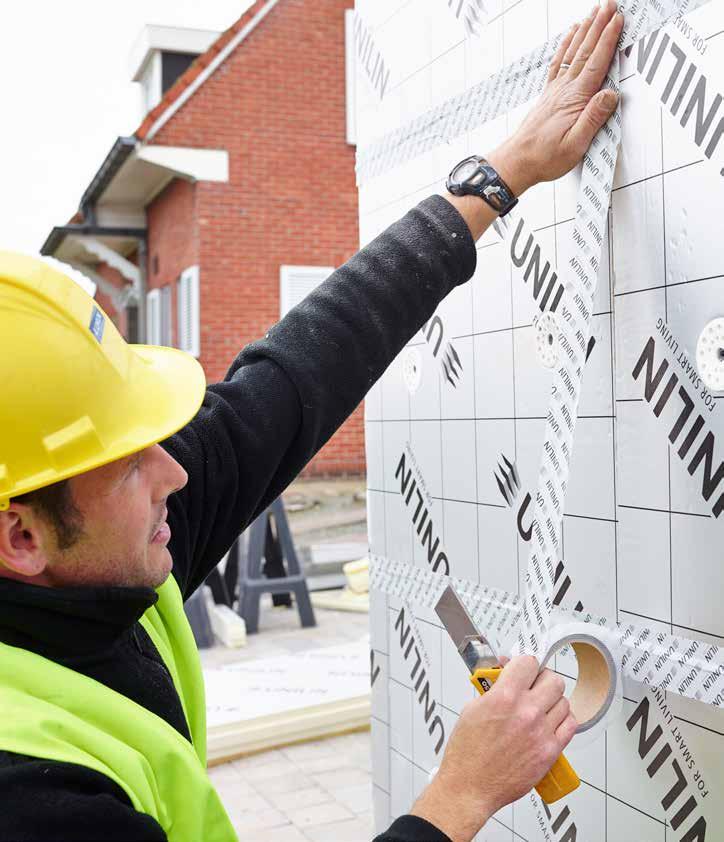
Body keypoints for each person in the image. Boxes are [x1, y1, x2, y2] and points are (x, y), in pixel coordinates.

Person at [0, 3, 623, 840]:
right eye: (128, 462)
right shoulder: (31, 800)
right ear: (22, 537)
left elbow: (300, 372)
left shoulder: (80, 553)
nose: (176, 473)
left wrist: (499, 174)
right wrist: (459, 796)